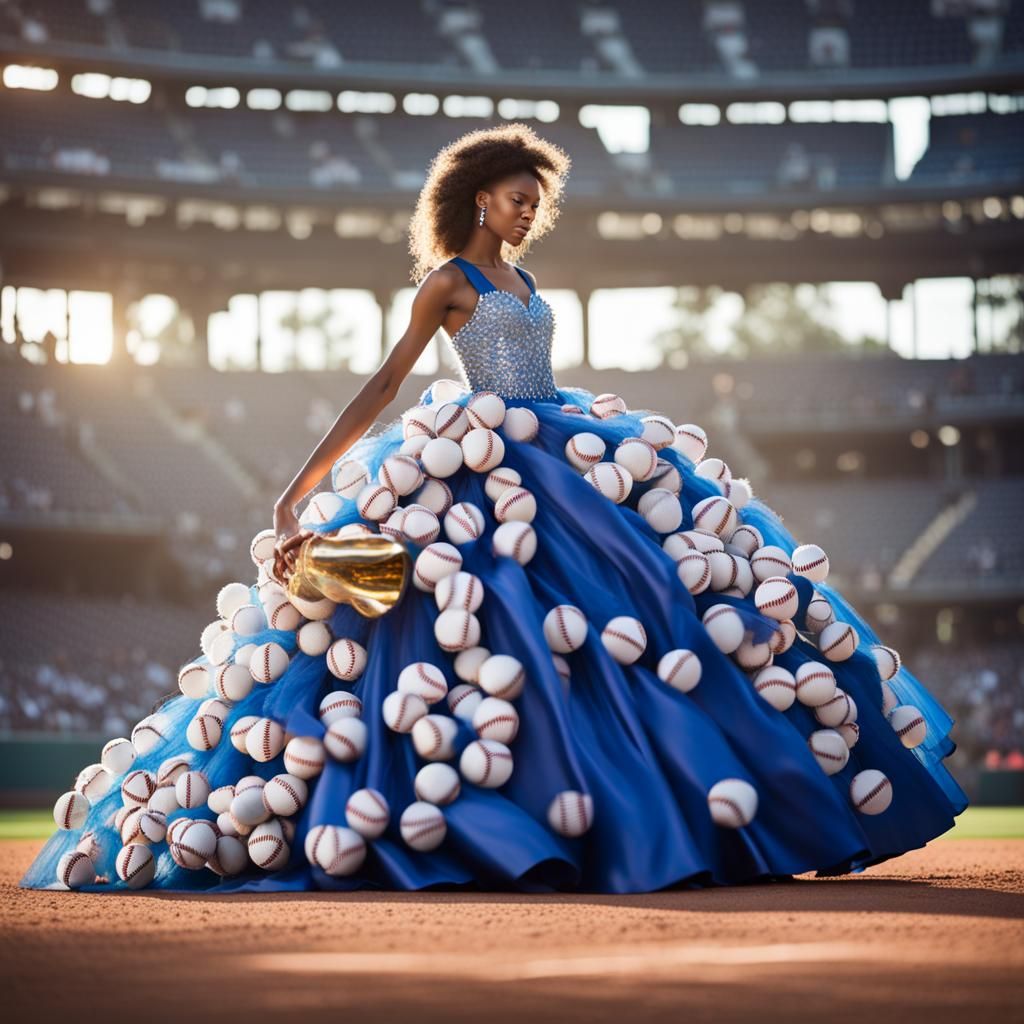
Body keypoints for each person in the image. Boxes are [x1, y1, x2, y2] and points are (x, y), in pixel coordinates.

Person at [21, 123, 968, 896]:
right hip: (477, 460)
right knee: (449, 626)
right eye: (520, 198)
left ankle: (626, 819)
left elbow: (536, 375)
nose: (530, 213)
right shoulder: (451, 283)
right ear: (481, 197)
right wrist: (298, 490)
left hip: (557, 449)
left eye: (537, 203)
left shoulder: (526, 281)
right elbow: (387, 384)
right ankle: (461, 828)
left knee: (616, 621)